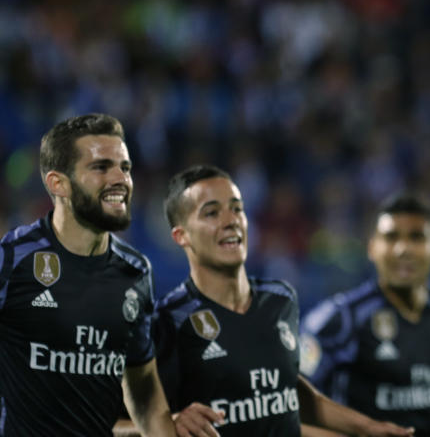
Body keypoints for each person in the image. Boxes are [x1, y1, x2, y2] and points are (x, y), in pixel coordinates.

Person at [152, 164, 415, 437]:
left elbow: (288, 394)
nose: (231, 220)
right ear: (181, 235)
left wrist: (369, 428)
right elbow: (116, 419)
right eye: (211, 213)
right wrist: (169, 422)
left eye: (237, 208)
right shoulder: (170, 320)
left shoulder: (280, 299)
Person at [0, 113, 180, 435]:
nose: (120, 179)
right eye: (101, 167)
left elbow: (144, 391)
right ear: (58, 183)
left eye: (124, 167)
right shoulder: (13, 260)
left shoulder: (135, 272)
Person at [300, 192, 430, 437]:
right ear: (372, 248)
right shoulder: (339, 319)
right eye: (391, 237)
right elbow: (289, 409)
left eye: (416, 237)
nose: (402, 249)